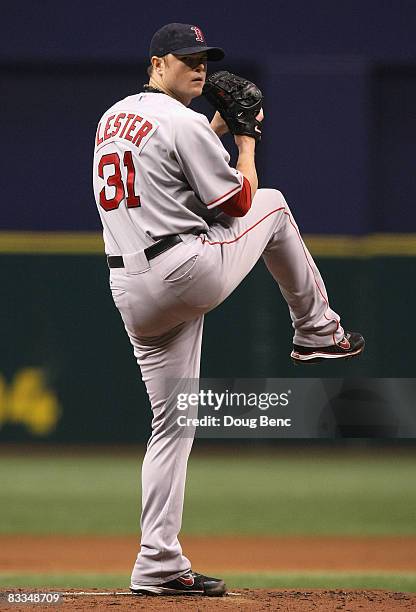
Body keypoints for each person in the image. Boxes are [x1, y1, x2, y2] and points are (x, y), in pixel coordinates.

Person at [92, 22, 364, 597]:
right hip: (182, 271)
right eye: (186, 58)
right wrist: (244, 139)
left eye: (204, 59)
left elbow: (175, 184)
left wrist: (215, 127)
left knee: (173, 424)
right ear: (157, 62)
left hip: (131, 288)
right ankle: (317, 328)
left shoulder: (114, 119)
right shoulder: (184, 122)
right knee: (273, 204)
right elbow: (236, 201)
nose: (199, 67)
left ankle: (157, 564)